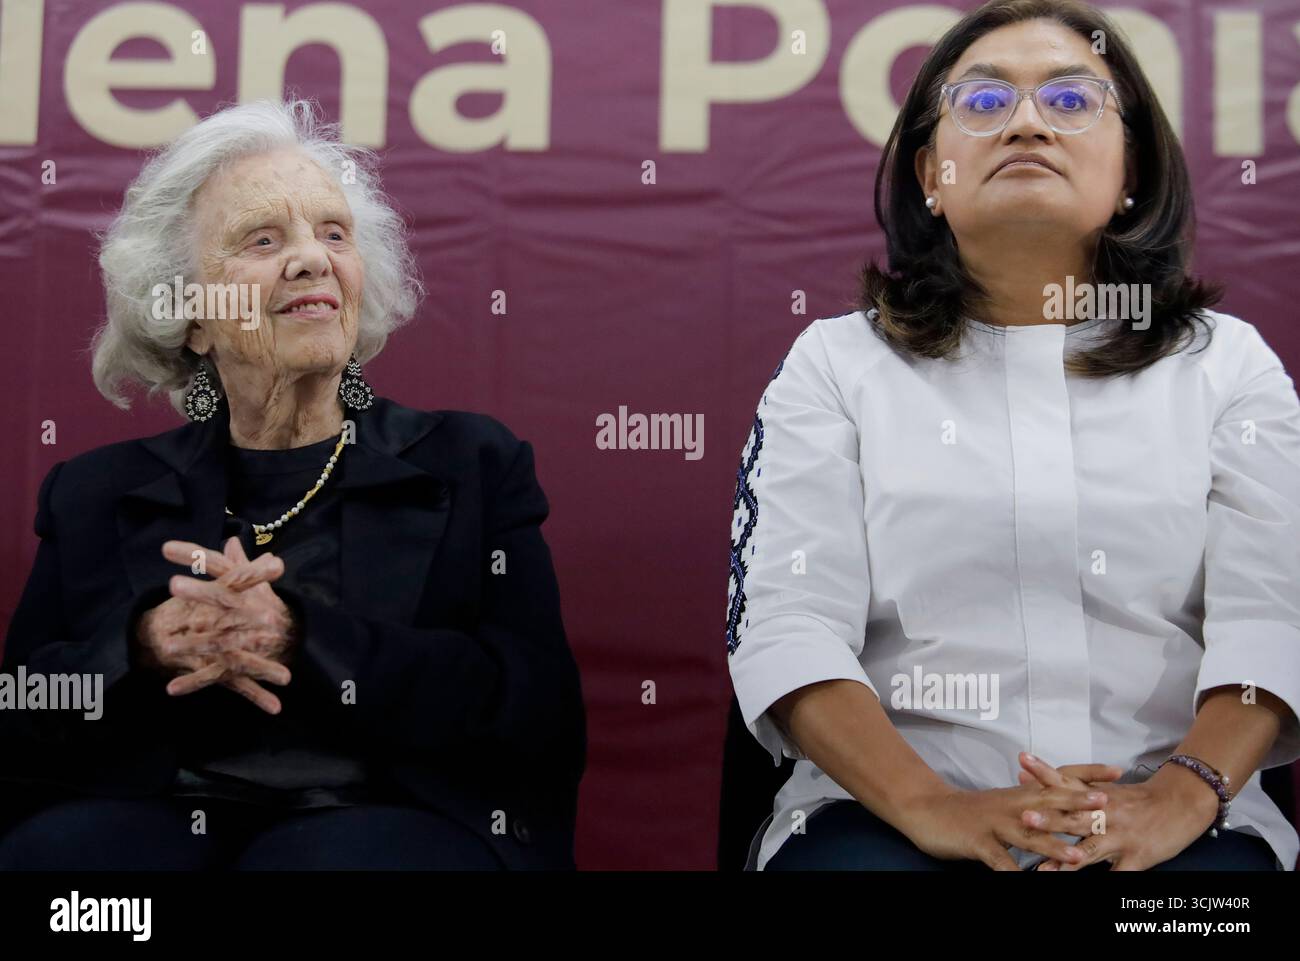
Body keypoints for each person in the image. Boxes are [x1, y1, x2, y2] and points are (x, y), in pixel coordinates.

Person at [726, 0, 1299, 871]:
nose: (1027, 122)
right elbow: (789, 624)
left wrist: (1177, 798)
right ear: (931, 173)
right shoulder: (837, 365)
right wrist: (934, 807)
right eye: (985, 102)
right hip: (888, 821)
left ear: (1131, 169)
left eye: (1071, 101)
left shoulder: (1225, 366)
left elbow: (1273, 618)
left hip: (1179, 823)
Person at [0, 99, 585, 870]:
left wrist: (301, 638)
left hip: (388, 822)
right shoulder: (94, 491)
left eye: (334, 234)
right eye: (263, 239)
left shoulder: (472, 464)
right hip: (155, 819)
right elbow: (20, 713)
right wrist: (138, 647)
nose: (312, 259)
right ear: (191, 315)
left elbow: (538, 718)